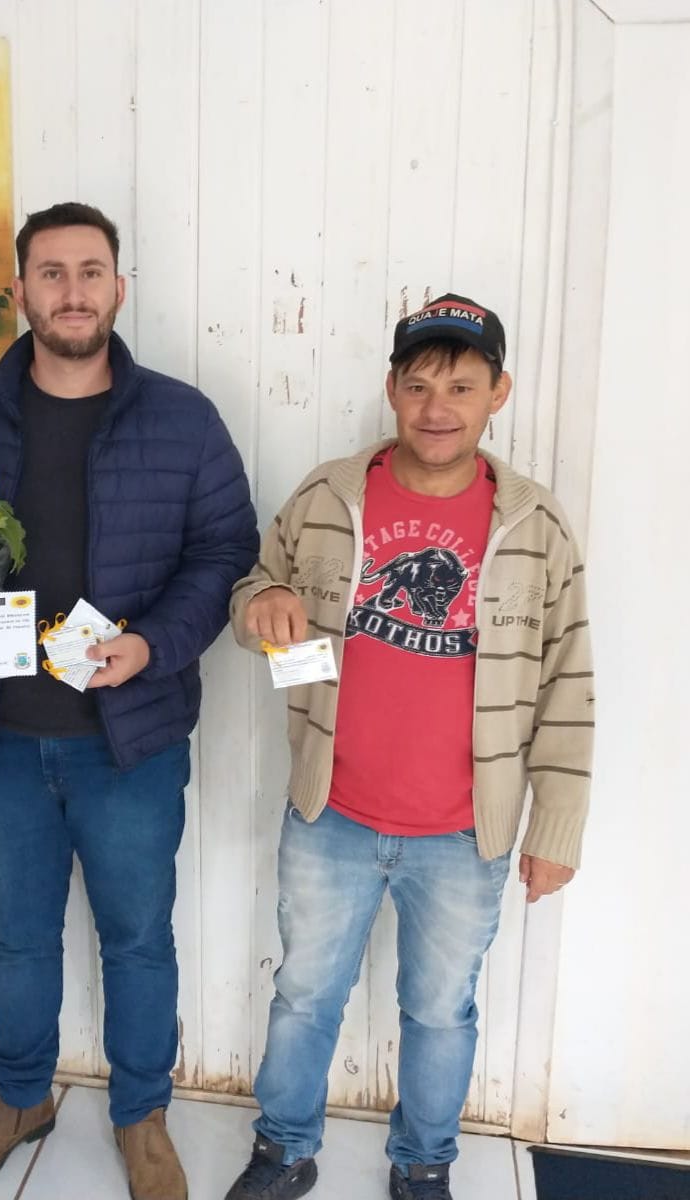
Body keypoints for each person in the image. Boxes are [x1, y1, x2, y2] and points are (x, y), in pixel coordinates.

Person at [0, 201, 258, 1199]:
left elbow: (225, 550)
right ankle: (21, 1098)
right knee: (17, 936)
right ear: (20, 291)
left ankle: (142, 1115)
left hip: (129, 742)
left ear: (119, 288)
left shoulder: (183, 419)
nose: (72, 291)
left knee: (138, 940)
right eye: (50, 273)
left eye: (91, 271)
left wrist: (154, 645)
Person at [225, 295, 593, 1200]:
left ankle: (424, 1163)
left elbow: (568, 685)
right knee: (304, 997)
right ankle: (284, 1149)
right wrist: (262, 605)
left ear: (499, 393)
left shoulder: (537, 527)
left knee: (440, 1012)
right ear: (391, 388)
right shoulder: (328, 495)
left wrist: (557, 828)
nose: (438, 407)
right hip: (332, 813)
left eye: (462, 387)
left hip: (465, 832)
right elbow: (255, 588)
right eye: (420, 384)